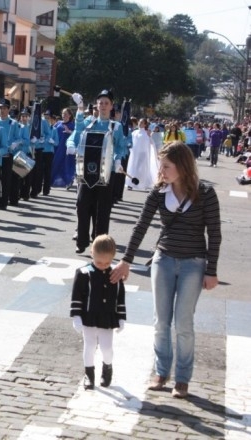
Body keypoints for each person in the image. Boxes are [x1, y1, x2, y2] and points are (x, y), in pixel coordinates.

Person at [110, 141, 221, 398]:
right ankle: (162, 373)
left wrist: (211, 270)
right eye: (161, 165)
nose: (162, 170)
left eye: (167, 166)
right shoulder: (158, 192)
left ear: (182, 166)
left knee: (183, 322)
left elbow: (214, 234)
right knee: (161, 321)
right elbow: (141, 226)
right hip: (164, 260)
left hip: (194, 263)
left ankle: (182, 378)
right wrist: (126, 260)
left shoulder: (205, 193)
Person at [70, 89, 128, 254]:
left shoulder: (115, 126)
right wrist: (80, 108)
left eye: (106, 103)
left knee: (102, 210)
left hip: (105, 173)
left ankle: (99, 245)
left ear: (111, 107)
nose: (103, 106)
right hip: (87, 172)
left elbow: (120, 147)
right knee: (82, 205)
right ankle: (82, 241)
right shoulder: (89, 122)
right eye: (100, 102)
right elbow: (78, 129)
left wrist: (118, 161)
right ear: (96, 105)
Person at [71, 234, 126, 390]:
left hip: (107, 317)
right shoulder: (83, 273)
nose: (103, 265)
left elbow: (119, 297)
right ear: (91, 254)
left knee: (107, 348)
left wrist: (121, 317)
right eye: (99, 262)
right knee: (89, 346)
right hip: (88, 316)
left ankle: (107, 367)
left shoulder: (115, 273)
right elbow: (77, 295)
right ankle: (89, 374)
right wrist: (76, 316)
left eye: (107, 262)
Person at [126, 118, 158, 191]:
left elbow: (151, 143)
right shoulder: (134, 132)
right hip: (134, 154)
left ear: (145, 124)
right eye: (139, 122)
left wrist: (149, 136)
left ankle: (143, 184)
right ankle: (130, 184)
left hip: (143, 154)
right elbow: (130, 141)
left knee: (142, 169)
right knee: (132, 168)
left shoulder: (147, 133)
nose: (140, 124)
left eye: (142, 123)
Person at [51, 107, 76, 189]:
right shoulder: (58, 123)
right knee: (55, 163)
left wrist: (70, 132)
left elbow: (77, 135)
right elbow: (51, 130)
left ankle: (68, 181)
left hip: (66, 148)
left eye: (65, 114)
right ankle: (51, 181)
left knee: (66, 165)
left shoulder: (72, 124)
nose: (63, 115)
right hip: (57, 147)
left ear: (69, 115)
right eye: (62, 113)